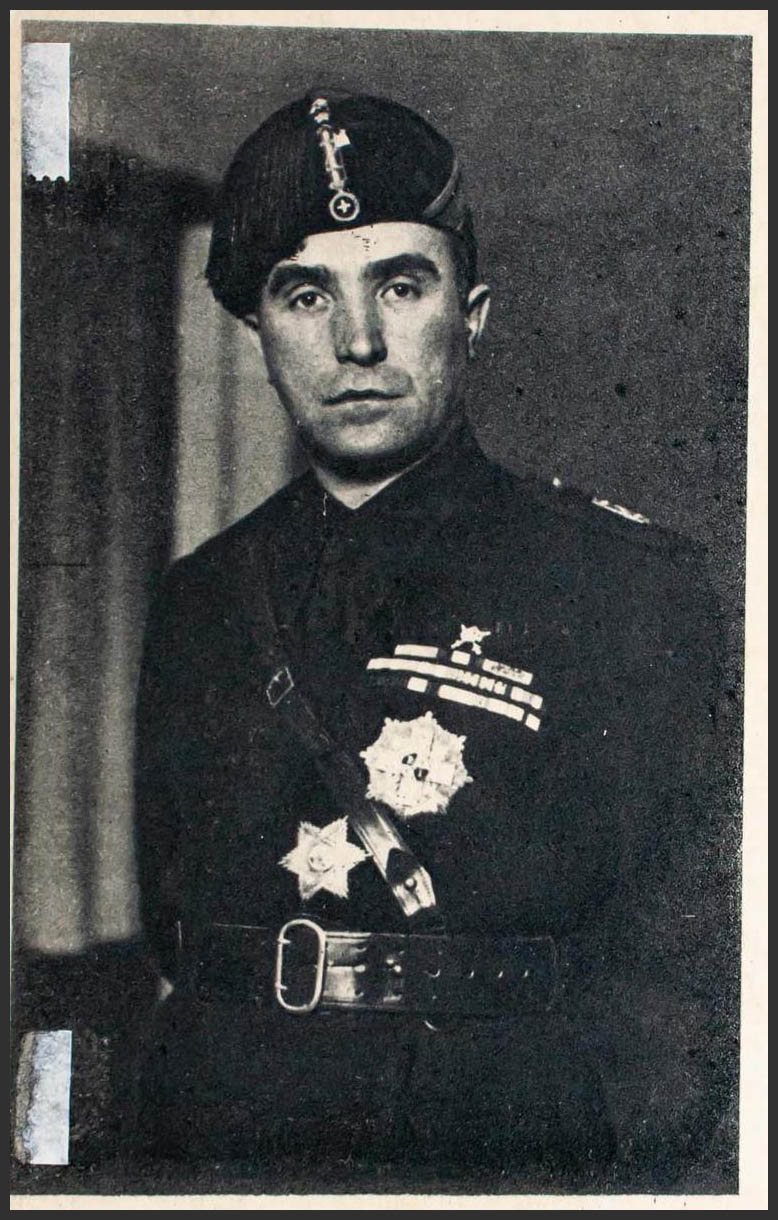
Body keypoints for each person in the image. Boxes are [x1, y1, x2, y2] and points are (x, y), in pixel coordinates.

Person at [134, 91, 729, 1190]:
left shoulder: (627, 586)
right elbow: (169, 924)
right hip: (224, 1148)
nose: (357, 341)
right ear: (259, 332)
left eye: (400, 286)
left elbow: (690, 967)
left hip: (498, 1147)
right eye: (305, 294)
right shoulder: (200, 599)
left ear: (474, 313)